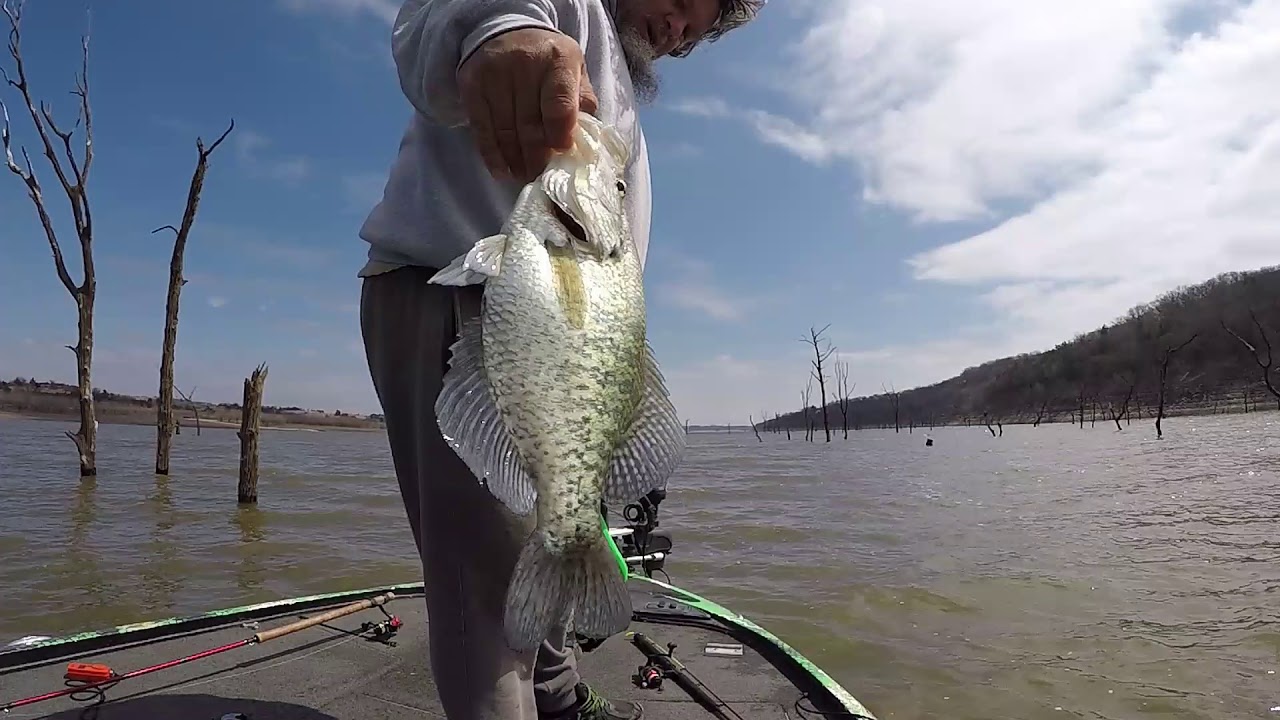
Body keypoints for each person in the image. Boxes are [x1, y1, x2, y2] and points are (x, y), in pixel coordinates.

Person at [357, 1, 763, 719]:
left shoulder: (620, 86)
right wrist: (503, 28)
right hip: (461, 303)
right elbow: (437, 23)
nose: (676, 32)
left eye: (692, 35)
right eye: (680, 6)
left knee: (544, 551)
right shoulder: (566, 10)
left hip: (569, 353)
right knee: (482, 587)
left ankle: (558, 697)